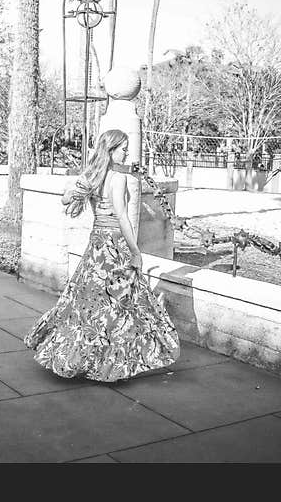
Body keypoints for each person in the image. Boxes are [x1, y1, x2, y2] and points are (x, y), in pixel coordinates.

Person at [24, 128, 180, 382]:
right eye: (122, 148)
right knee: (120, 305)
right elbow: (122, 217)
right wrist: (135, 252)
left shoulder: (94, 175)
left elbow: (65, 199)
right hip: (113, 244)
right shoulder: (117, 179)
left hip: (96, 244)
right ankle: (109, 364)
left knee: (87, 302)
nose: (127, 152)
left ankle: (80, 357)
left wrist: (76, 192)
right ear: (110, 150)